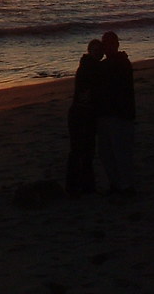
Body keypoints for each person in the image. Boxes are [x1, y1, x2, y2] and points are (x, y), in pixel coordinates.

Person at [94, 30, 136, 197]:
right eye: (105, 44)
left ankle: (126, 186)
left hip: (120, 115)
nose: (108, 47)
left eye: (110, 44)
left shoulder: (120, 63)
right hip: (106, 114)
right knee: (107, 153)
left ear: (117, 45)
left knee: (120, 153)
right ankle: (116, 184)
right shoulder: (108, 64)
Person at [66, 38, 104, 196]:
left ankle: (82, 186)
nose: (99, 53)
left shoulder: (90, 66)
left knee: (84, 151)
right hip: (81, 113)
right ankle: (78, 187)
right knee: (81, 151)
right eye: (95, 50)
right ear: (90, 51)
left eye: (100, 50)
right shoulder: (89, 67)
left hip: (86, 113)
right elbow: (87, 93)